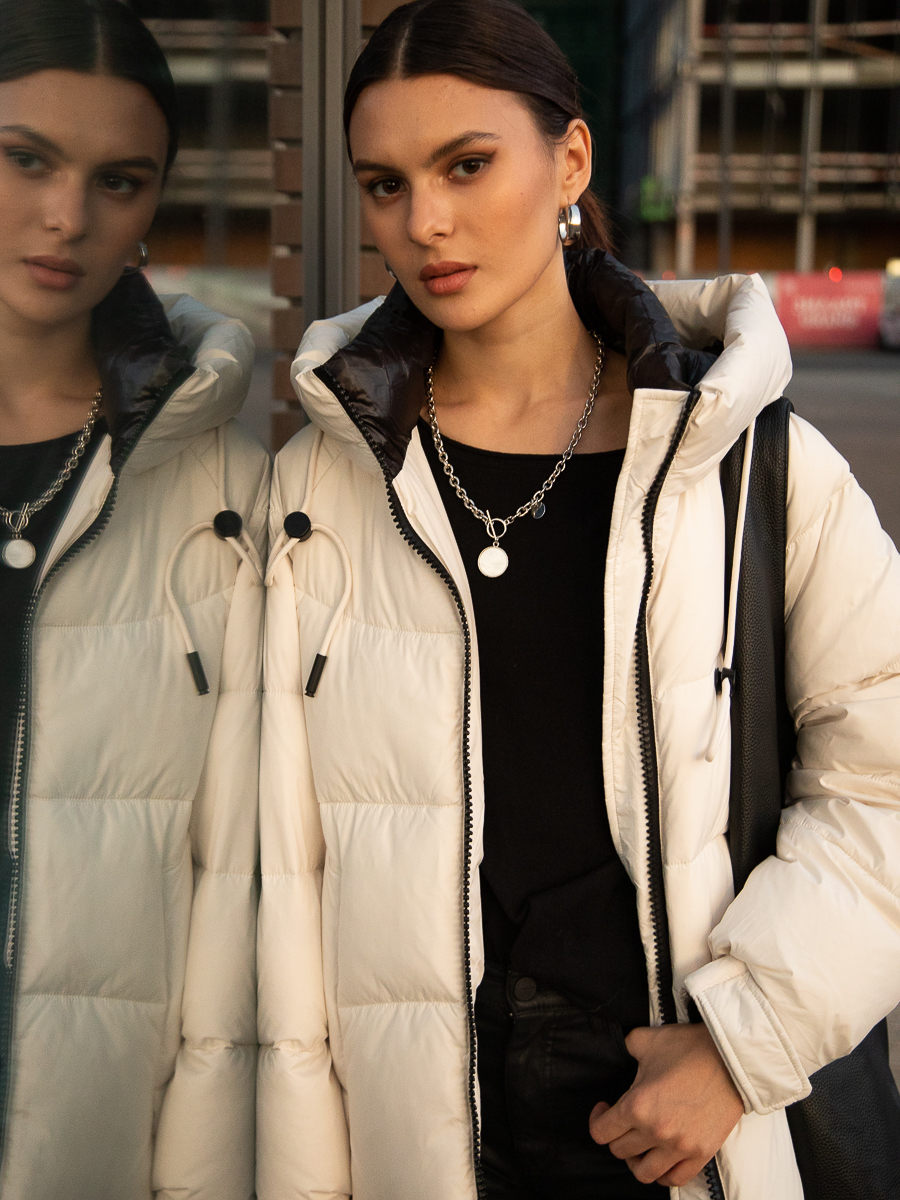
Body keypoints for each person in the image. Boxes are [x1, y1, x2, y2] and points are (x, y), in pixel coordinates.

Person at [258, 1, 900, 1197]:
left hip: (678, 1115)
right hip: (423, 1124)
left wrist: (743, 1041)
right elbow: (281, 863)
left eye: (466, 165)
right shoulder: (321, 487)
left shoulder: (750, 464)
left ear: (570, 161)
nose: (425, 222)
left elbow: (884, 781)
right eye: (386, 185)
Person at [0, 2, 267, 1196]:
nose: (68, 216)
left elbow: (242, 877)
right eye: (26, 160)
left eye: (119, 180)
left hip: (92, 1132)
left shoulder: (224, 492)